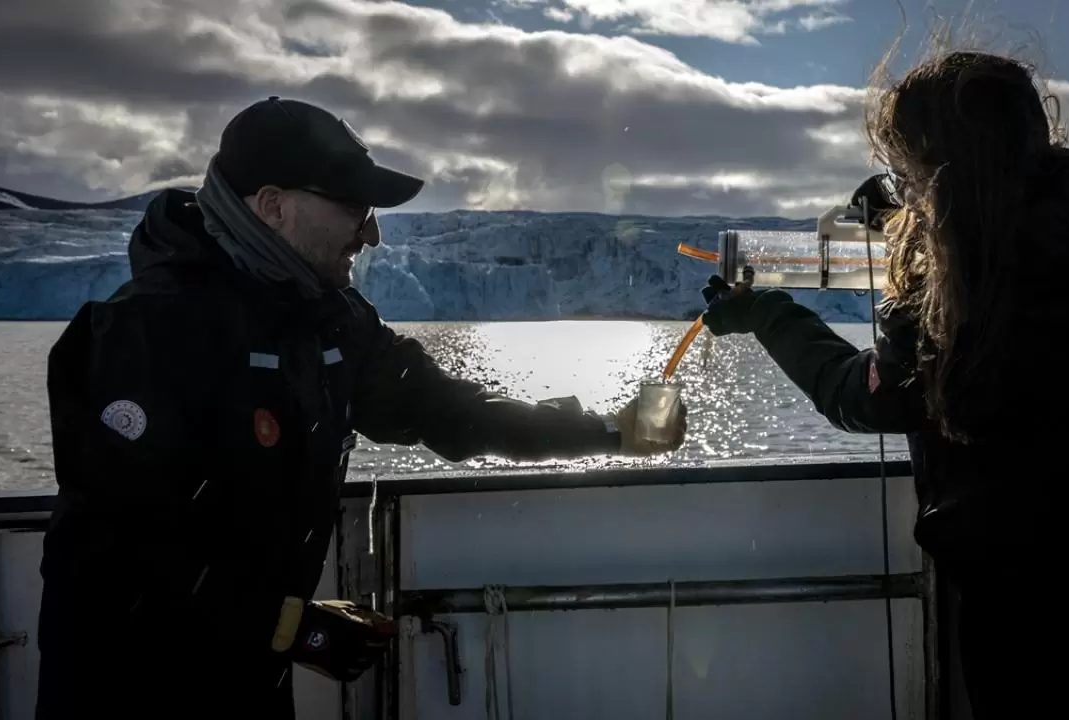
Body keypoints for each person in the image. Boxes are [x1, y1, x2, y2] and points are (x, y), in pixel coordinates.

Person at [36, 96, 687, 719]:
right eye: (353, 207)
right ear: (272, 206)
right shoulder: (144, 333)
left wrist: (609, 429)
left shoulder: (330, 322)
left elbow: (453, 411)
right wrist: (290, 624)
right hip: (123, 686)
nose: (371, 234)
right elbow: (123, 546)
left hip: (248, 674)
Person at [701, 51, 1069, 719]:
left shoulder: (962, 297)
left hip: (1029, 594)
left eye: (909, 170)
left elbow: (863, 393)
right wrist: (905, 207)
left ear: (934, 172)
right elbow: (1009, 214)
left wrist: (765, 311)